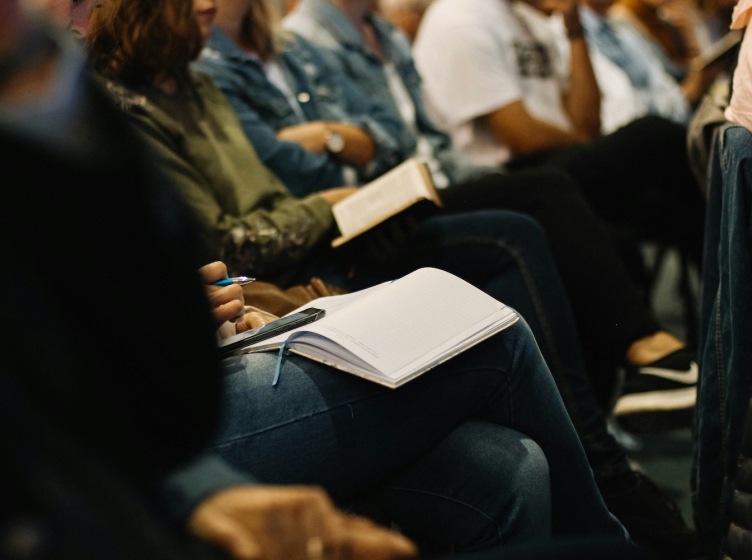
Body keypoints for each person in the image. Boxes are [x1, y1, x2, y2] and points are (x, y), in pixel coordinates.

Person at [82, 0, 641, 552]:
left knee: (516, 469)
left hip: (230, 334)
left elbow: (365, 146)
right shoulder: (116, 106)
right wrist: (328, 200)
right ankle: (617, 510)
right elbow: (228, 238)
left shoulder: (195, 84)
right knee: (495, 329)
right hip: (160, 405)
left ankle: (611, 468)